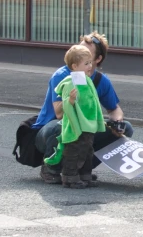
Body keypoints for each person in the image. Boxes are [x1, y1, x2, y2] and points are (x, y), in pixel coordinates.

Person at [33, 31, 134, 184]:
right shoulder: (63, 76)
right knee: (61, 126)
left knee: (126, 128)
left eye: (86, 54)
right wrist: (71, 98)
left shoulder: (100, 80)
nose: (79, 55)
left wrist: (117, 122)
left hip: (81, 130)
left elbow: (115, 109)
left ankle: (81, 168)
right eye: (78, 50)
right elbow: (59, 113)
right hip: (51, 130)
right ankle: (50, 167)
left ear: (97, 59)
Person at [43, 45, 106, 188]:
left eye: (90, 62)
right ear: (74, 66)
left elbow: (93, 102)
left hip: (87, 124)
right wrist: (70, 100)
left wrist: (97, 120)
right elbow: (64, 106)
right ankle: (70, 177)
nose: (90, 66)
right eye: (86, 63)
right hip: (74, 125)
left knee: (87, 150)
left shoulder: (87, 80)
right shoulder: (69, 82)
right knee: (73, 151)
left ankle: (85, 175)